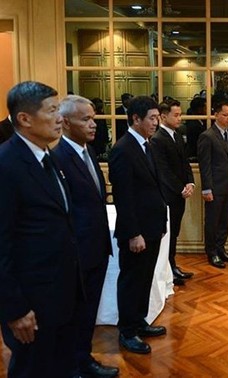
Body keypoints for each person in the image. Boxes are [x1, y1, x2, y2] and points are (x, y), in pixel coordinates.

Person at [0, 81, 82, 376]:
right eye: (52, 110)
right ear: (25, 119)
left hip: (60, 297)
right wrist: (15, 308)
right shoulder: (7, 165)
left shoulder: (48, 158)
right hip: (31, 304)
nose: (60, 117)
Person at [52, 95, 119, 377]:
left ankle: (83, 358)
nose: (93, 125)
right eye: (86, 119)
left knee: (88, 311)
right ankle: (73, 365)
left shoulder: (88, 151)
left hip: (96, 248)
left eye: (94, 118)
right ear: (65, 122)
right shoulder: (58, 158)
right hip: (77, 253)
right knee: (75, 314)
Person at [108, 95, 168, 354]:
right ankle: (127, 331)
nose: (156, 122)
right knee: (132, 279)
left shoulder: (147, 145)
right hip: (138, 231)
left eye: (157, 117)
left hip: (152, 227)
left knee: (145, 277)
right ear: (135, 118)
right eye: (152, 118)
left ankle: (139, 320)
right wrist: (133, 233)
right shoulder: (123, 149)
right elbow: (124, 196)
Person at [151, 99, 195, 286]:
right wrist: (180, 188)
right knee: (168, 233)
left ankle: (173, 265)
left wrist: (190, 182)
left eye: (180, 114)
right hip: (169, 195)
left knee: (174, 232)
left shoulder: (176, 136)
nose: (179, 118)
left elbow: (184, 163)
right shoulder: (157, 139)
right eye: (175, 115)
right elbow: (163, 171)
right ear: (163, 116)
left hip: (180, 193)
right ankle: (167, 269)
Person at [198, 99, 228, 269]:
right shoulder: (207, 136)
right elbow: (205, 165)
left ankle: (221, 249)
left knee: (225, 220)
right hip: (214, 187)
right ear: (216, 114)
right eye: (225, 115)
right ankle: (212, 252)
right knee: (213, 221)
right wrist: (206, 188)